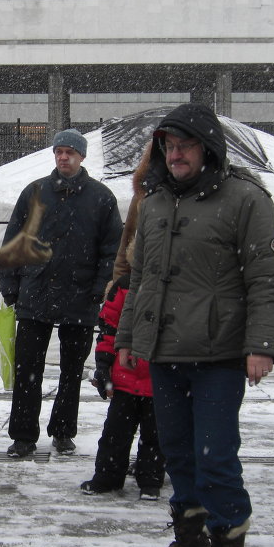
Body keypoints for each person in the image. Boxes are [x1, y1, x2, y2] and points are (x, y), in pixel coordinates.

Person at [115, 103, 274, 547]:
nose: (175, 155)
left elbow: (267, 278)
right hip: (165, 354)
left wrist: (262, 344)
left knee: (215, 459)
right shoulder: (154, 203)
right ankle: (190, 544)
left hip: (219, 354)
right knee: (179, 453)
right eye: (168, 147)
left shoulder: (246, 200)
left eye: (185, 145)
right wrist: (128, 339)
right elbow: (140, 278)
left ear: (208, 149)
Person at [0, 128, 122, 460]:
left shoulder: (101, 198)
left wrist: (100, 291)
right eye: (59, 152)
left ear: (82, 156)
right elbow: (12, 241)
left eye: (70, 152)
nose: (63, 157)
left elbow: (112, 251)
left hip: (80, 298)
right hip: (34, 294)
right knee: (28, 370)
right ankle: (23, 436)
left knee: (71, 372)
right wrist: (10, 287)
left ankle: (64, 431)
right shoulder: (34, 193)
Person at [82, 158, 164, 499]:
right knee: (116, 431)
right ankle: (108, 476)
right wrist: (103, 365)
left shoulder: (175, 294)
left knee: (156, 435)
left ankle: (150, 481)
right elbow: (109, 331)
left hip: (160, 375)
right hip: (127, 375)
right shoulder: (125, 289)